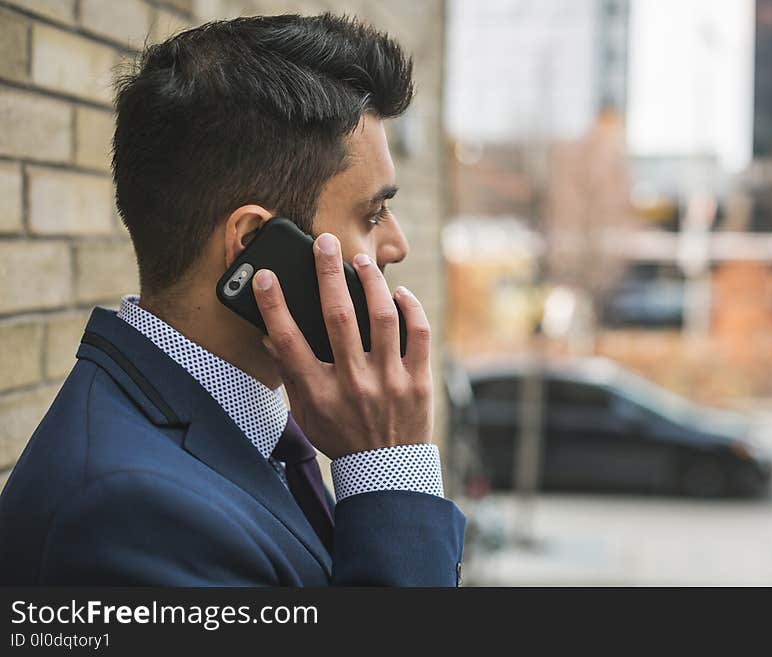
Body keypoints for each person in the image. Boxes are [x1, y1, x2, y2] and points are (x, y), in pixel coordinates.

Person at [0, 13, 465, 586]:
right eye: (371, 214)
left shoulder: (259, 425)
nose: (397, 244)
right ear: (253, 247)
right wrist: (390, 474)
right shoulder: (128, 514)